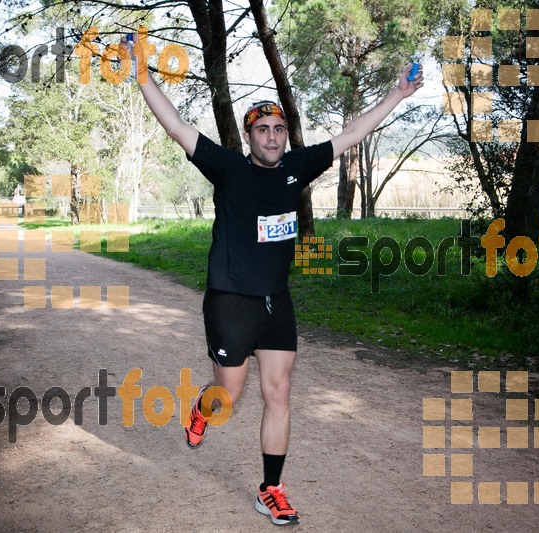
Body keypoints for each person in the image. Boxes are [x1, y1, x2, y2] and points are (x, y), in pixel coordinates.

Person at [127, 35, 423, 526]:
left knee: (279, 393)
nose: (272, 137)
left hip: (276, 302)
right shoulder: (227, 169)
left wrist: (397, 95)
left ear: (286, 135)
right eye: (262, 129)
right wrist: (142, 73)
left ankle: (270, 489)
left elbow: (352, 134)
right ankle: (202, 408)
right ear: (248, 136)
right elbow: (176, 125)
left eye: (279, 129)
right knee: (229, 397)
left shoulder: (297, 166)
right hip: (231, 302)